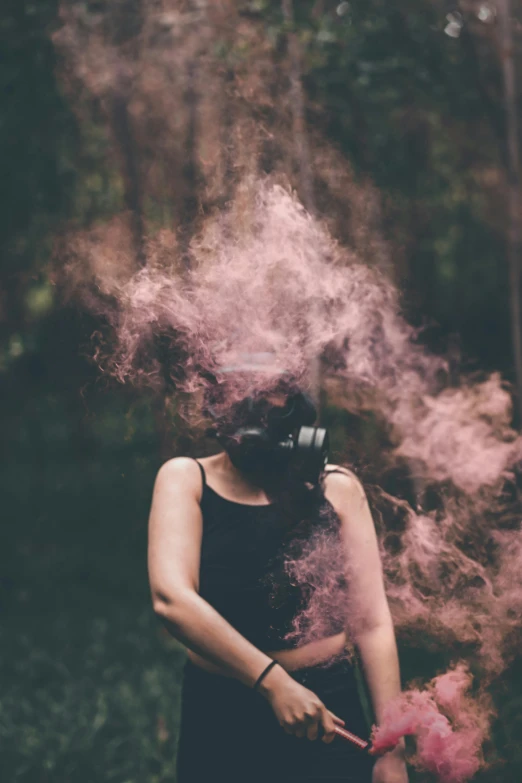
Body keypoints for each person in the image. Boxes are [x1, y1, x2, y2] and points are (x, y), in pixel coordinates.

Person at [148, 385, 408, 783]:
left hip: (328, 705)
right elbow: (172, 600)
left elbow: (372, 622)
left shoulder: (337, 487)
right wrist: (273, 683)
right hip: (222, 708)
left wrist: (394, 752)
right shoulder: (186, 478)